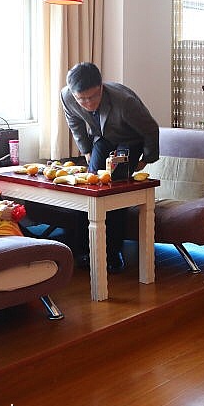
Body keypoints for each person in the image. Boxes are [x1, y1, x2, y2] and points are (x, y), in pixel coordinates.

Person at [60, 62, 160, 272]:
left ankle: (113, 253)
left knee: (115, 190)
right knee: (90, 187)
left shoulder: (124, 101)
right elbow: (75, 124)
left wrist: (146, 159)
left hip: (130, 139)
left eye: (92, 97)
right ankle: (85, 251)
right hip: (102, 138)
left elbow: (150, 129)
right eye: (82, 99)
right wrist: (87, 151)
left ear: (101, 87)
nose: (88, 103)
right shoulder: (67, 96)